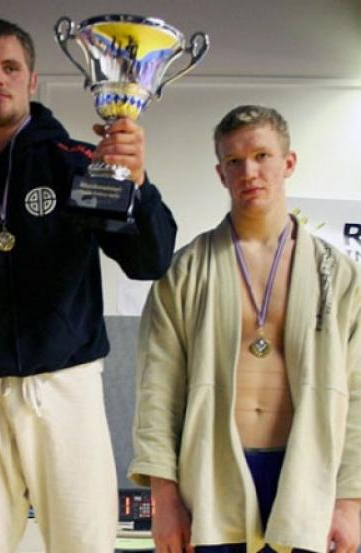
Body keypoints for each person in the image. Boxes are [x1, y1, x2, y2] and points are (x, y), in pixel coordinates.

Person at [0, 17, 177, 553]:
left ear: (32, 79)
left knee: (84, 543)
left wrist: (138, 183)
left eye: (9, 67)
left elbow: (150, 261)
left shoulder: (80, 166)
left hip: (66, 386)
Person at [130, 105, 361, 553]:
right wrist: (164, 499)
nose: (249, 172)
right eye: (234, 161)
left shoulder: (339, 275)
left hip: (307, 476)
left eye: (261, 156)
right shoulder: (185, 271)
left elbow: (357, 393)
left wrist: (350, 502)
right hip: (210, 474)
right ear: (221, 174)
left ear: (288, 162)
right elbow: (157, 390)